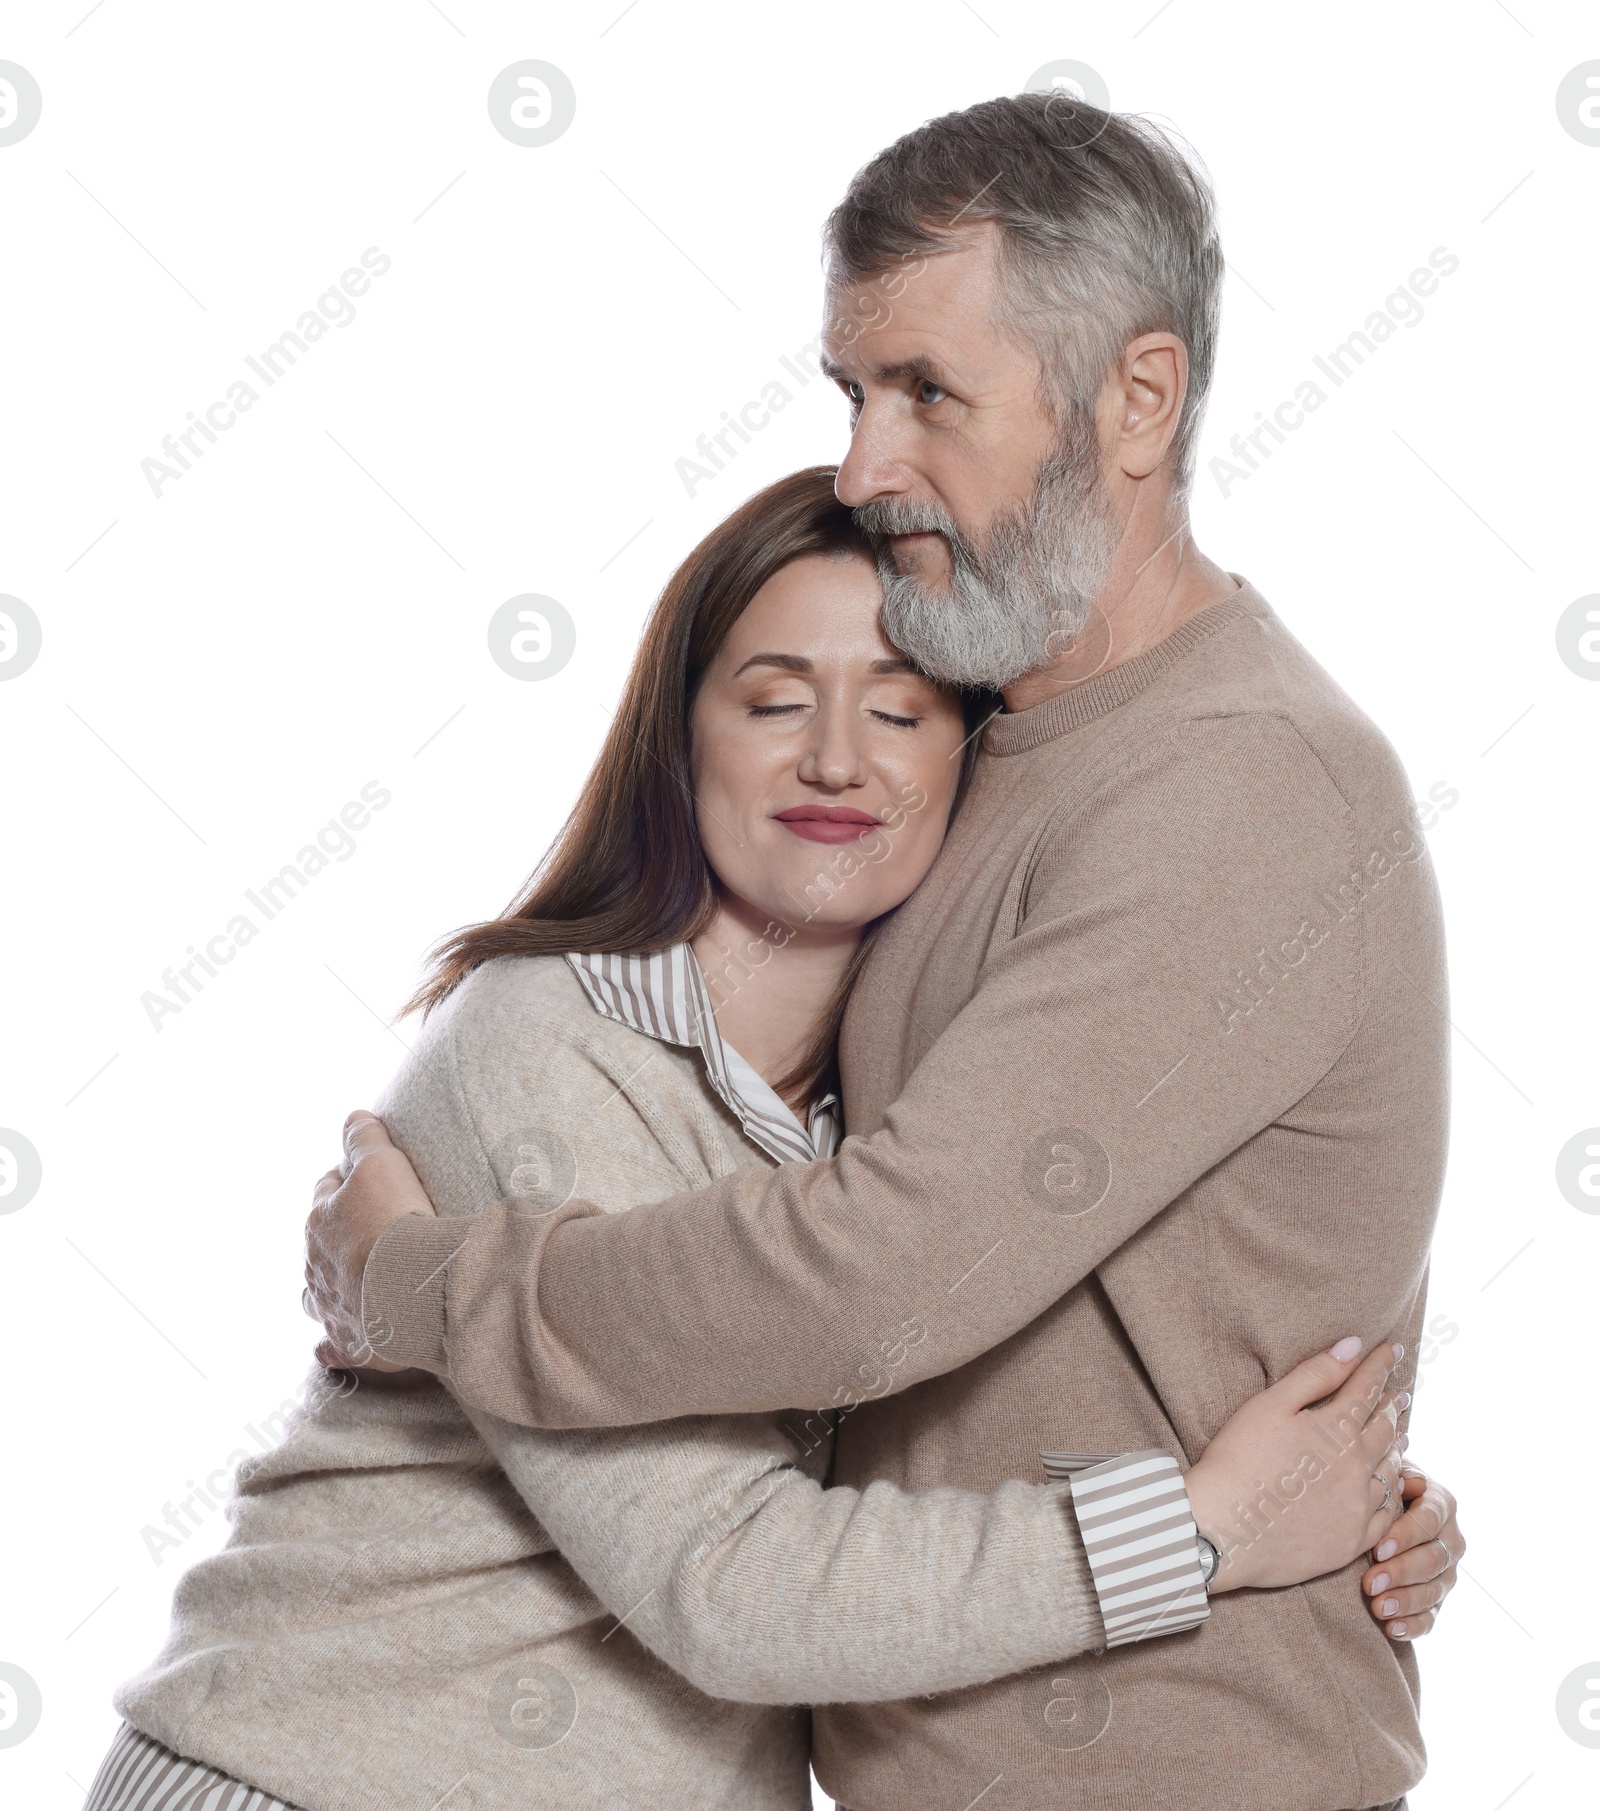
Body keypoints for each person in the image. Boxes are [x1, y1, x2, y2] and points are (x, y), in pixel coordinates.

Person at [308, 96, 1463, 1811]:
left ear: (1138, 401)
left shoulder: (1242, 781)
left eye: (930, 393)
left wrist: (427, 1290)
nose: (863, 469)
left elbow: (874, 1276)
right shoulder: (979, 740)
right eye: (854, 395)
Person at [84, 472, 1449, 1811]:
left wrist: (1362, 1516)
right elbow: (731, 1585)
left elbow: (988, 1407)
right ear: (680, 740)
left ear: (971, 775)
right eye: (776, 699)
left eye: (900, 710)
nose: (837, 759)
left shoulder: (894, 1132)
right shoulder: (551, 1044)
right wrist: (1205, 1531)